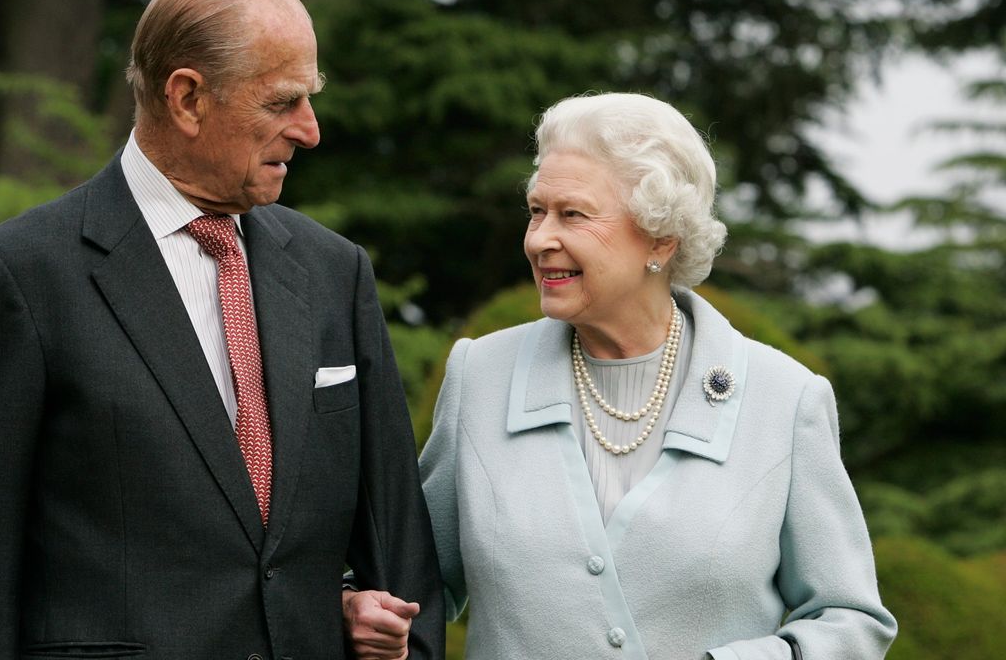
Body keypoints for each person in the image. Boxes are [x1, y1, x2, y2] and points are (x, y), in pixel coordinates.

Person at [0, 0, 443, 660]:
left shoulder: (334, 272)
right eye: (282, 102)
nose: (310, 131)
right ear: (188, 98)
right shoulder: (20, 278)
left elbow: (399, 549)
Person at [345, 92, 897, 659]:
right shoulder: (480, 376)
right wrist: (364, 610)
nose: (539, 240)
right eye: (537, 210)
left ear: (661, 237)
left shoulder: (785, 399)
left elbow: (850, 620)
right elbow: (410, 582)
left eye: (573, 215)